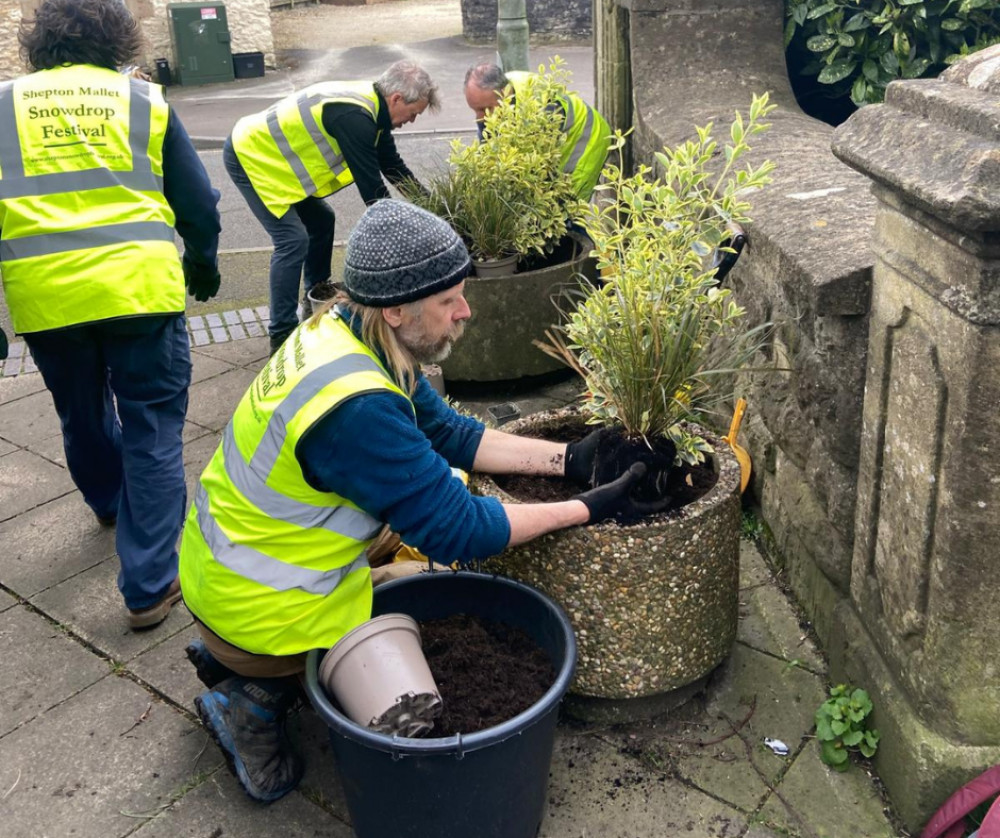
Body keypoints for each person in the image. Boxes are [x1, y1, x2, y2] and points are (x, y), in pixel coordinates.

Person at [178, 200, 645, 803]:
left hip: (233, 570)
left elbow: (449, 432)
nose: (466, 311)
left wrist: (567, 461)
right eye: (449, 300)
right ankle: (252, 699)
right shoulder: (357, 410)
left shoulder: (347, 332)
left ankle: (240, 661)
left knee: (413, 560)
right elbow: (458, 529)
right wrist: (588, 509)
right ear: (396, 308)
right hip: (266, 608)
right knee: (409, 704)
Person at [0, 0, 222, 629]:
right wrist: (202, 266)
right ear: (118, 39)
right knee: (151, 429)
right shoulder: (143, 101)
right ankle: (149, 584)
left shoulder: (3, 106)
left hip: (48, 300)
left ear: (38, 42)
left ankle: (105, 501)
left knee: (81, 413)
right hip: (139, 293)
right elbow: (198, 202)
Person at [225, 60, 438, 355]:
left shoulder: (375, 114)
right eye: (413, 114)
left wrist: (437, 210)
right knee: (292, 241)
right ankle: (281, 336)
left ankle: (315, 302)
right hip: (251, 156)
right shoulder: (353, 116)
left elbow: (393, 167)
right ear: (397, 99)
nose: (411, 121)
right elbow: (374, 196)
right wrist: (409, 236)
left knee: (322, 220)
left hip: (279, 167)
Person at [463, 63, 612, 201]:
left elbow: (537, 170)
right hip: (560, 138)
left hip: (586, 138)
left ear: (505, 94)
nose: (480, 118)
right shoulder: (493, 98)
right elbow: (487, 150)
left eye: (485, 109)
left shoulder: (539, 107)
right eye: (475, 110)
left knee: (566, 209)